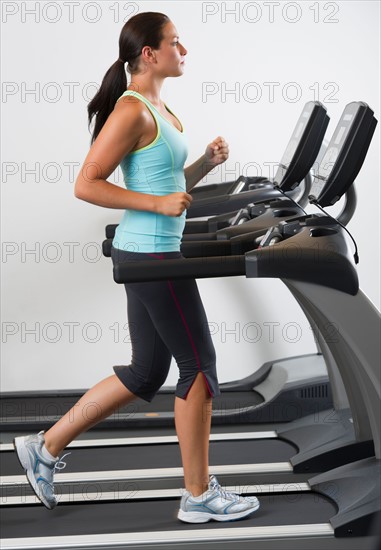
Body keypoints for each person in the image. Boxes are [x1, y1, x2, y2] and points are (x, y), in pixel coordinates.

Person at [13, 11, 260, 524]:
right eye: (174, 43)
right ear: (149, 53)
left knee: (147, 371)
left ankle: (44, 445)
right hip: (151, 254)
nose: (183, 50)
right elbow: (87, 183)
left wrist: (204, 166)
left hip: (150, 251)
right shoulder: (131, 109)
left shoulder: (158, 106)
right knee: (200, 367)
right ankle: (198, 495)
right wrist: (156, 207)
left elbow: (162, 184)